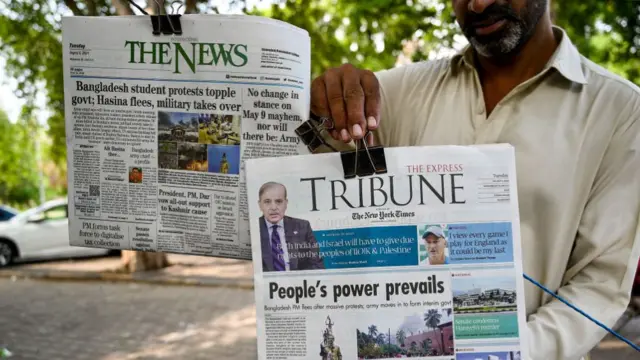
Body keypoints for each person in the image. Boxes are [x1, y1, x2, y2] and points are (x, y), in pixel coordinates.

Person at [309, 1, 639, 359]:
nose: (477, 4)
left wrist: (505, 353)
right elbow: (305, 183)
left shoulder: (619, 111)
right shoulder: (395, 94)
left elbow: (601, 283)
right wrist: (320, 112)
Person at [257, 181, 325, 272]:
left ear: (286, 203)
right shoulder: (254, 229)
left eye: (278, 201)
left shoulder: (303, 227)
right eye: (267, 202)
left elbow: (317, 265)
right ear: (260, 205)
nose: (273, 207)